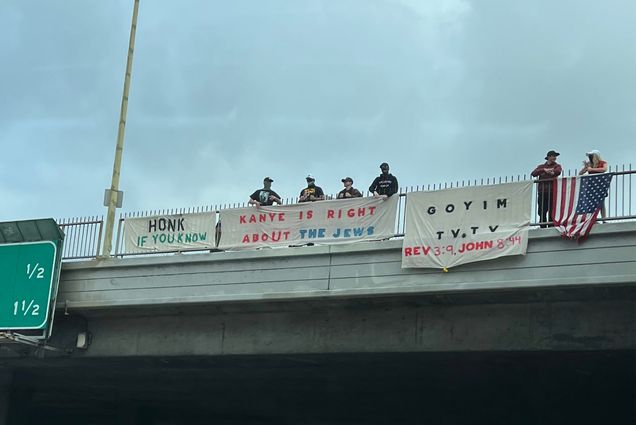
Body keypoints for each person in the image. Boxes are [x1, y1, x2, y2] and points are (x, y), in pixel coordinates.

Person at [531, 150, 562, 228]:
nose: (555, 158)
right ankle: (543, 226)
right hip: (542, 192)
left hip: (552, 191)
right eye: (553, 156)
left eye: (555, 156)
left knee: (552, 209)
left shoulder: (557, 166)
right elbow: (533, 173)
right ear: (549, 157)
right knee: (542, 210)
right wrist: (544, 170)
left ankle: (551, 226)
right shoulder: (541, 166)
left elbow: (558, 171)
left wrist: (552, 172)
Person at [579, 149, 609, 219]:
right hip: (591, 186)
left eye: (591, 155)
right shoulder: (590, 164)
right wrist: (586, 167)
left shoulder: (603, 162)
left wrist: (592, 169)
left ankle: (604, 218)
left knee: (602, 203)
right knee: (591, 202)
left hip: (600, 185)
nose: (590, 157)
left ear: (596, 156)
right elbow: (580, 173)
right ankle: (592, 219)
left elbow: (604, 169)